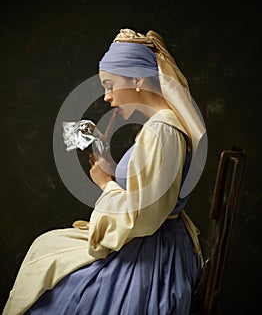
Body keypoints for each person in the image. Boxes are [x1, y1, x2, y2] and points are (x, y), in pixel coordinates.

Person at [3, 28, 206, 315]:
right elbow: (149, 193)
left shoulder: (161, 130)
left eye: (110, 85)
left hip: (152, 257)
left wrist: (106, 185)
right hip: (155, 242)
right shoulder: (160, 126)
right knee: (47, 247)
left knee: (52, 270)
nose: (107, 97)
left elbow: (143, 217)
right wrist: (114, 174)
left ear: (137, 80)